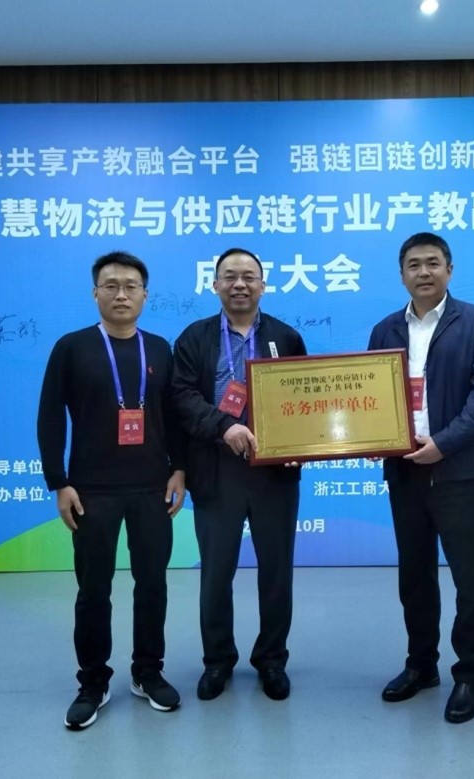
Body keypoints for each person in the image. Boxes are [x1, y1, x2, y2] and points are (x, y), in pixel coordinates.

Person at [37, 251, 187, 730]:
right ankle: (92, 682)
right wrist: (59, 482)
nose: (121, 294)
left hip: (151, 488)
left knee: (153, 585)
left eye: (130, 286)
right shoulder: (72, 347)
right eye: (111, 285)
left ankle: (148, 671)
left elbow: (175, 417)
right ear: (95, 293)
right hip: (91, 490)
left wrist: (179, 469)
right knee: (93, 590)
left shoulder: (159, 349)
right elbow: (49, 417)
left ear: (145, 294)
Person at [366, 232, 474, 723]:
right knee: (415, 575)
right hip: (405, 472)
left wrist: (443, 443)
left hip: (459, 470)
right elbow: (370, 397)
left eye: (432, 263)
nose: (423, 272)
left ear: (449, 269)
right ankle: (421, 664)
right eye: (413, 265)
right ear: (402, 274)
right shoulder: (385, 329)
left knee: (470, 579)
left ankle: (470, 674)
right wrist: (371, 437)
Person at [172, 247, 307, 702]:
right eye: (229, 276)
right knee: (216, 573)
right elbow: (183, 398)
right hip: (216, 470)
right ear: (214, 285)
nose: (239, 284)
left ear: (263, 285)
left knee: (277, 572)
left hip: (274, 474)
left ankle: (272, 659)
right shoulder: (194, 338)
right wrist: (223, 426)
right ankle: (217, 661)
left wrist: (299, 446)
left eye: (249, 276)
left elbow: (303, 400)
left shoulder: (285, 336)